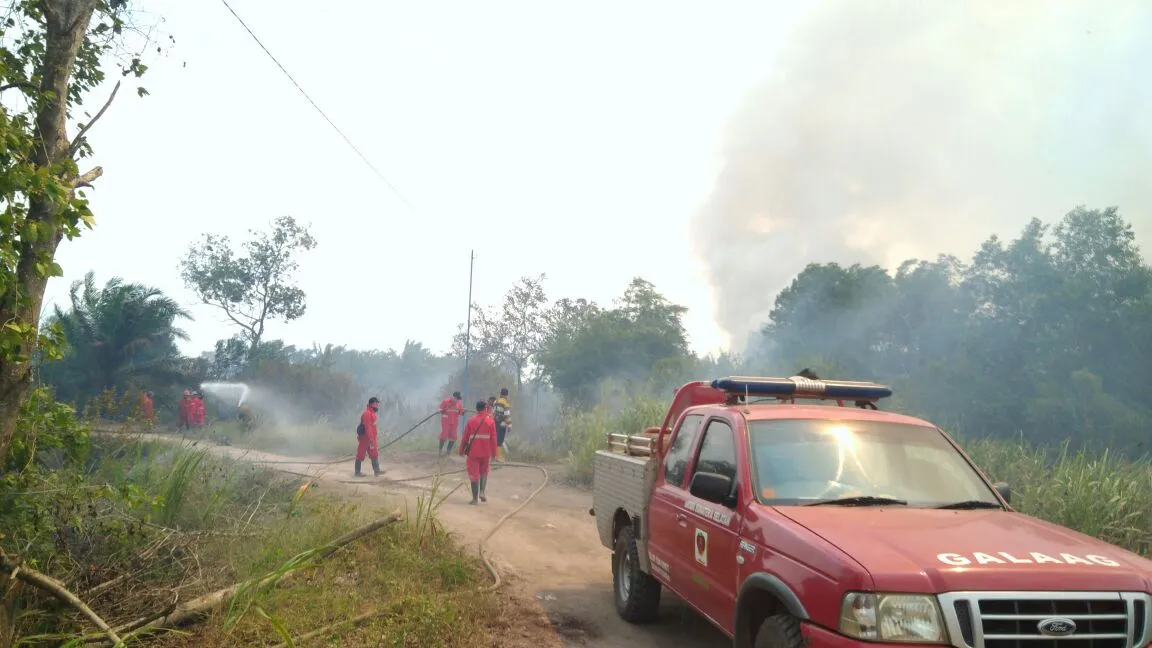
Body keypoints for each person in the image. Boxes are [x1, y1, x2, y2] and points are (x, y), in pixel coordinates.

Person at [459, 400, 497, 504]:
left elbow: (465, 438)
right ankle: (482, 492)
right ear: (485, 409)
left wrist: (461, 450)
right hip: (486, 453)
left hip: (473, 453)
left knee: (474, 474)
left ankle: (475, 499)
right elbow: (494, 440)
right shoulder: (490, 421)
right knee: (484, 472)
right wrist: (494, 454)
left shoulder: (471, 421)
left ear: (476, 409)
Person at [355, 396, 382, 477]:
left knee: (374, 454)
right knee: (360, 455)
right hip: (365, 438)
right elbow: (368, 427)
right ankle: (357, 472)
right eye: (376, 403)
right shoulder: (367, 413)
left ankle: (377, 472)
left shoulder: (372, 413)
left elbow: (373, 427)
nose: (377, 405)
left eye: (377, 404)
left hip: (371, 438)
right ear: (371, 404)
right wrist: (371, 439)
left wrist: (373, 438)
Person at [438, 391, 464, 456]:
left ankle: (448, 452)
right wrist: (443, 410)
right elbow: (439, 409)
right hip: (446, 421)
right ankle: (440, 451)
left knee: (453, 436)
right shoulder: (446, 402)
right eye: (457, 398)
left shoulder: (459, 404)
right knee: (444, 435)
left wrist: (464, 411)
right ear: (453, 397)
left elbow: (461, 413)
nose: (457, 400)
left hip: (454, 422)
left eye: (458, 399)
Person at [493, 388, 512, 461]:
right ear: (506, 395)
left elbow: (493, 412)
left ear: (501, 394)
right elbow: (507, 415)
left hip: (494, 423)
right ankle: (497, 456)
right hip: (502, 424)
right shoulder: (505, 403)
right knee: (500, 440)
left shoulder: (496, 401)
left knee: (495, 439)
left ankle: (493, 456)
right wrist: (509, 425)